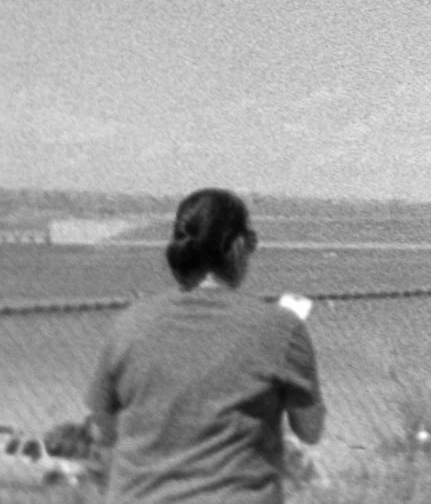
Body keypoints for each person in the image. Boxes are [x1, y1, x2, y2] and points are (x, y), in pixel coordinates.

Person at [86, 188, 325, 504]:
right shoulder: (280, 329)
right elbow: (310, 429)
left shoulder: (129, 324)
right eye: (251, 243)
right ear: (238, 247)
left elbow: (105, 426)